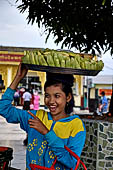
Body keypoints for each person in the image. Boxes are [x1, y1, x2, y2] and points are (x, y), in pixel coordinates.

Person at [0, 63, 86, 170]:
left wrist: (46, 132)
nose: (51, 101)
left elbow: (71, 163)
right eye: (47, 96)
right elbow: (3, 108)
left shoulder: (76, 125)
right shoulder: (35, 116)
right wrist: (18, 78)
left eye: (57, 96)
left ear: (68, 97)